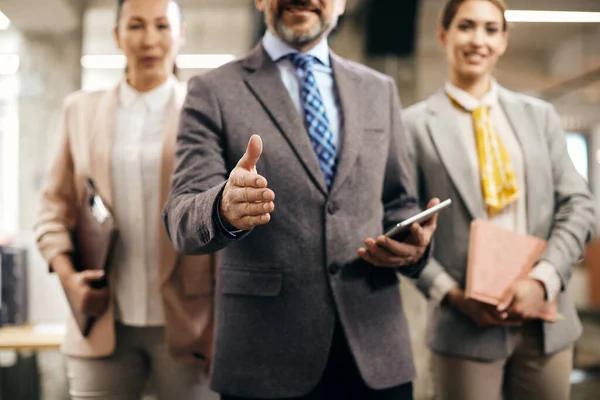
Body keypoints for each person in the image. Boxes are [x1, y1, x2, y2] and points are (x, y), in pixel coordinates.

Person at [162, 0, 441, 399]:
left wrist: (413, 242)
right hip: (263, 355)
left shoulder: (380, 90)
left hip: (375, 349)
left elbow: (398, 200)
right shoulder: (211, 91)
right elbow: (180, 216)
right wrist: (223, 208)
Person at [403, 1, 596, 399]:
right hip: (464, 322)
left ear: (504, 40)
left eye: (491, 30)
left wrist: (542, 281)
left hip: (546, 321)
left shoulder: (539, 116)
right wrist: (451, 294)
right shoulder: (413, 125)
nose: (478, 40)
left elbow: (580, 205)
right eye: (466, 26)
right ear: (444, 35)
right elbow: (401, 221)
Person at [34, 0, 217, 399]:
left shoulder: (205, 112)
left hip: (191, 323)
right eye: (135, 26)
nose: (149, 39)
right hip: (101, 322)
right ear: (117, 36)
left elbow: (221, 219)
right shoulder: (79, 111)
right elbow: (52, 212)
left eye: (161, 26)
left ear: (180, 34)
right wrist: (69, 280)